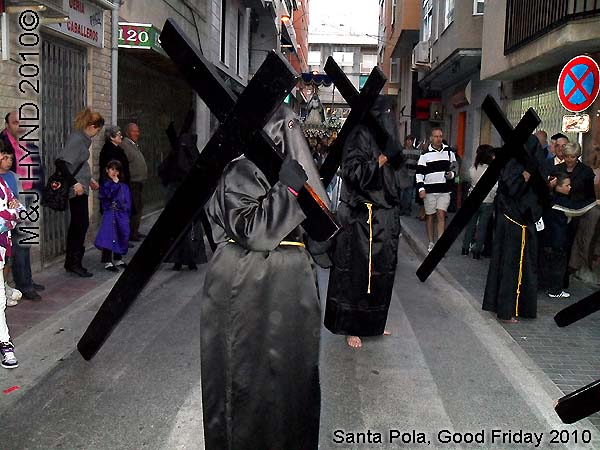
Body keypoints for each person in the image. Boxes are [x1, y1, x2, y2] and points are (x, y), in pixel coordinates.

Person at [199, 105, 326, 449]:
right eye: (290, 129)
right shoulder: (241, 168)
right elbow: (250, 229)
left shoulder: (281, 171)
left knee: (290, 379)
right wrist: (289, 191)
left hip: (286, 288)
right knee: (245, 379)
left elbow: (318, 229)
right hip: (248, 286)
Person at [324, 95, 403, 349]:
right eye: (386, 113)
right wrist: (381, 159)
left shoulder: (387, 140)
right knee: (356, 275)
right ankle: (351, 327)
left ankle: (373, 323)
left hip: (384, 219)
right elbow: (353, 173)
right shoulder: (359, 135)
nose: (389, 117)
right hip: (361, 219)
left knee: (381, 275)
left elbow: (393, 179)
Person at [482, 135, 548, 323]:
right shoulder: (515, 166)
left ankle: (513, 307)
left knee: (515, 265)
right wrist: (525, 177)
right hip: (514, 220)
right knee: (512, 265)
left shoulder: (517, 164)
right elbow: (513, 188)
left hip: (517, 220)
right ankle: (506, 309)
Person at [1, 111, 44, 300]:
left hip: (28, 196)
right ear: (7, 124)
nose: (20, 125)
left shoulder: (28, 143)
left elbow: (37, 168)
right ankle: (24, 285)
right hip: (12, 197)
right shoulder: (3, 143)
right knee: (18, 241)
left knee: (25, 240)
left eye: (23, 122)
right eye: (15, 122)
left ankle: (27, 279)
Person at [56, 108, 104, 277]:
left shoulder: (82, 140)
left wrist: (88, 179)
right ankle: (74, 263)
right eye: (97, 130)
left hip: (81, 187)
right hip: (76, 190)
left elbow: (77, 163)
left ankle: (71, 262)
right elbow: (61, 163)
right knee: (80, 225)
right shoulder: (78, 139)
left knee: (78, 225)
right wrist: (75, 182)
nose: (97, 134)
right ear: (91, 126)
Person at [161, 131, 207, 270]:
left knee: (177, 228)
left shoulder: (175, 155)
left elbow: (164, 172)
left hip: (176, 193)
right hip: (188, 194)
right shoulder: (192, 154)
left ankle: (179, 260)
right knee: (191, 229)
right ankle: (190, 259)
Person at [0, 155, 26, 368]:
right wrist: (10, 212)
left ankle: (4, 342)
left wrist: (11, 211)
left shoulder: (2, 183)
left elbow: (17, 211)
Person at [416, 127, 457, 252]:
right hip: (429, 191)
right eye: (436, 136)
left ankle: (440, 243)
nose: (438, 139)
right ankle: (431, 242)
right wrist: (421, 189)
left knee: (441, 214)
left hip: (444, 190)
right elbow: (419, 173)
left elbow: (455, 168)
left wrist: (452, 175)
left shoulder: (449, 152)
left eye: (440, 136)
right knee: (430, 216)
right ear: (431, 138)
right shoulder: (425, 155)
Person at [94, 160, 131, 271]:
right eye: (112, 169)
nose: (114, 172)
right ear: (107, 170)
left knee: (121, 233)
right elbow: (108, 195)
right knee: (109, 235)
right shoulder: (106, 184)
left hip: (121, 214)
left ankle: (118, 258)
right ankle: (107, 260)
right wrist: (114, 184)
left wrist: (127, 212)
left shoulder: (123, 185)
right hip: (110, 213)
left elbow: (127, 199)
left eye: (117, 170)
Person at [540, 172, 572, 298]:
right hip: (558, 238)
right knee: (558, 265)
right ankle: (555, 290)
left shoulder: (549, 198)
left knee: (547, 263)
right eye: (567, 185)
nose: (570, 187)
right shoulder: (562, 201)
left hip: (547, 236)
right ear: (558, 186)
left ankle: (545, 285)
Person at [461, 145, 497, 259]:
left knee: (470, 225)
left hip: (473, 199)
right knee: (482, 227)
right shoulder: (491, 170)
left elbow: (469, 179)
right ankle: (477, 251)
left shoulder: (473, 168)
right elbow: (495, 187)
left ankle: (465, 248)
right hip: (487, 201)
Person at [120, 123, 148, 242]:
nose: (137, 133)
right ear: (127, 132)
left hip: (138, 182)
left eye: (138, 131)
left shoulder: (133, 145)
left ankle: (134, 231)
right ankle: (131, 234)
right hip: (131, 183)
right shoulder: (125, 145)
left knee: (138, 208)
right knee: (133, 209)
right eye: (134, 131)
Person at [395, 134, 418, 216]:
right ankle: (402, 209)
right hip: (402, 174)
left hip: (411, 174)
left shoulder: (417, 151)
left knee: (409, 193)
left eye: (411, 140)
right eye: (408, 140)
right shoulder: (402, 151)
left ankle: (407, 209)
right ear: (405, 141)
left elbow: (419, 162)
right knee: (402, 193)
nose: (409, 142)